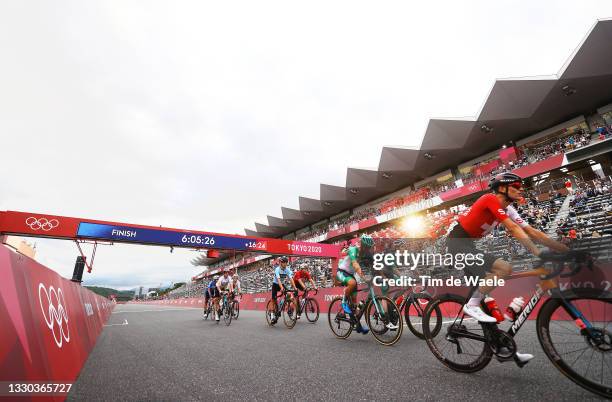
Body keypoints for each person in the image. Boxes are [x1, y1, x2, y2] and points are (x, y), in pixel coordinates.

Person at [446, 172, 570, 364]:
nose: (519, 190)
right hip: (456, 244)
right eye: (515, 187)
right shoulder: (490, 199)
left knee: (486, 297)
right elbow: (512, 229)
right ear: (502, 188)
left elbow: (530, 231)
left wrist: (562, 249)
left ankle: (502, 346)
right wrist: (539, 254)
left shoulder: (510, 209)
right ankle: (471, 305)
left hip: (469, 246)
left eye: (520, 187)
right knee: (504, 269)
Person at [335, 233, 378, 335]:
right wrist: (365, 277)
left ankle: (358, 326)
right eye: (367, 247)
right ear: (362, 246)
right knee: (353, 282)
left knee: (355, 305)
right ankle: (344, 301)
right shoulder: (353, 250)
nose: (368, 250)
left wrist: (376, 276)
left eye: (369, 248)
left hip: (350, 274)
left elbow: (372, 267)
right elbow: (355, 265)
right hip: (341, 272)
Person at [270, 256, 295, 324]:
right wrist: (281, 288)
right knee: (273, 299)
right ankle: (272, 315)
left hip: (282, 284)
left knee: (289, 294)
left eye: (286, 262)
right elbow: (278, 280)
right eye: (284, 262)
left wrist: (295, 287)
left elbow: (291, 278)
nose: (286, 264)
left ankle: (287, 308)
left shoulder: (287, 269)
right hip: (275, 284)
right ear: (281, 263)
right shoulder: (277, 269)